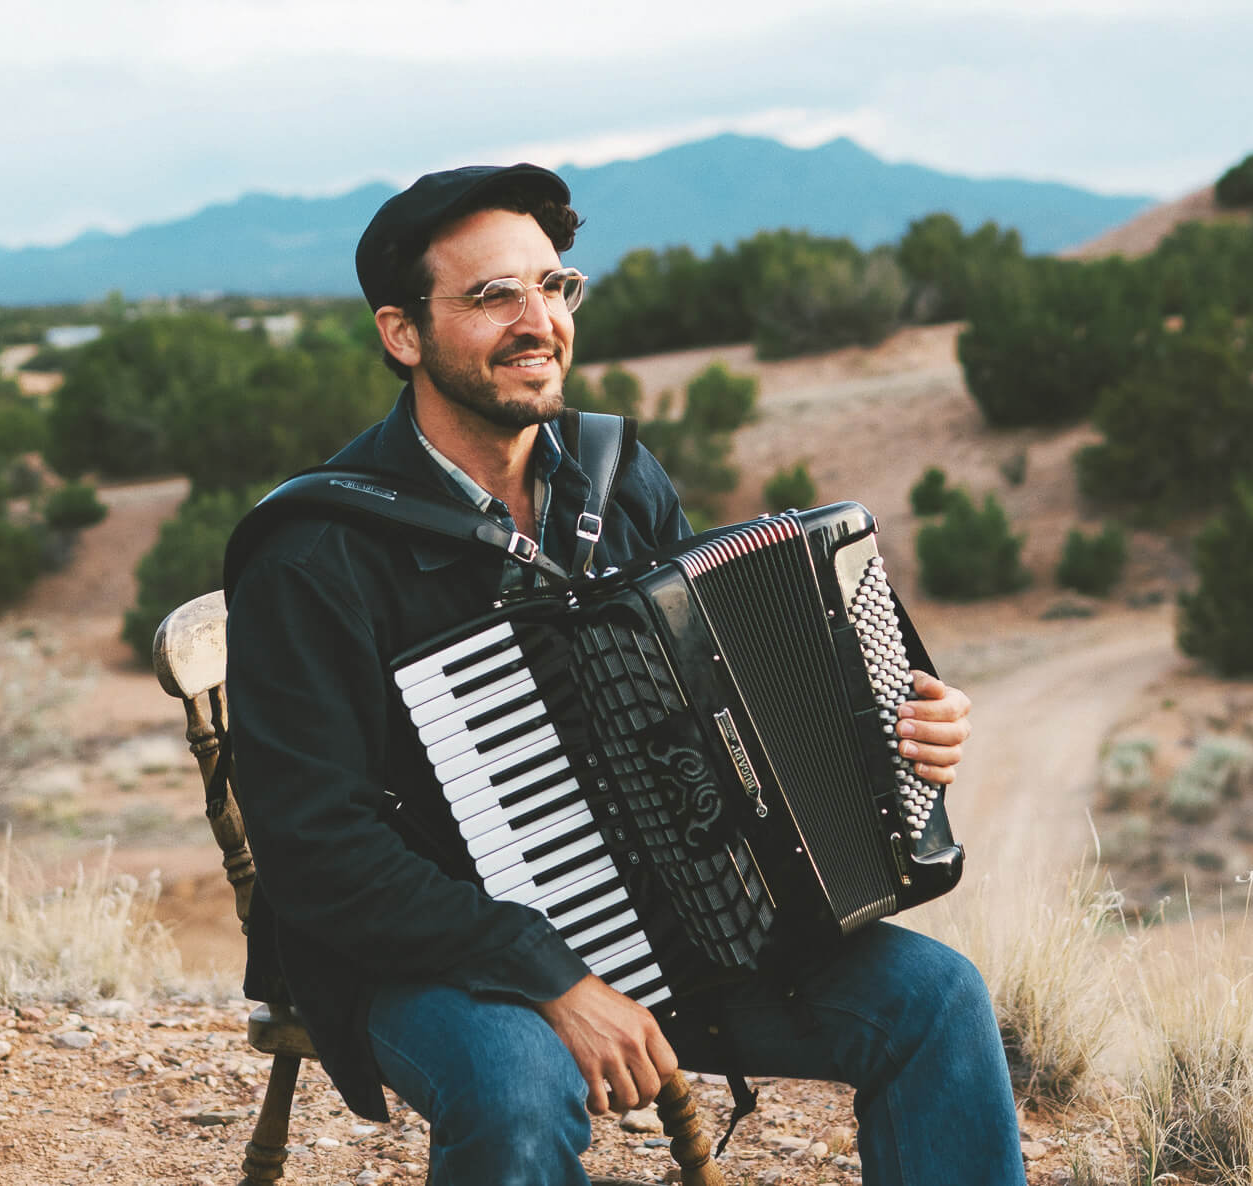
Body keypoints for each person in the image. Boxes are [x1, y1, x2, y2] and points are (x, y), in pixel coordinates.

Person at [224, 163, 1022, 1186]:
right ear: (402, 334)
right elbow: (317, 849)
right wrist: (550, 975)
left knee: (937, 999)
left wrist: (896, 737)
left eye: (553, 286)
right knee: (518, 1090)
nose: (536, 320)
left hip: (670, 928)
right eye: (491, 295)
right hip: (421, 953)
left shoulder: (615, 479)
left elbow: (719, 712)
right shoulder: (316, 552)